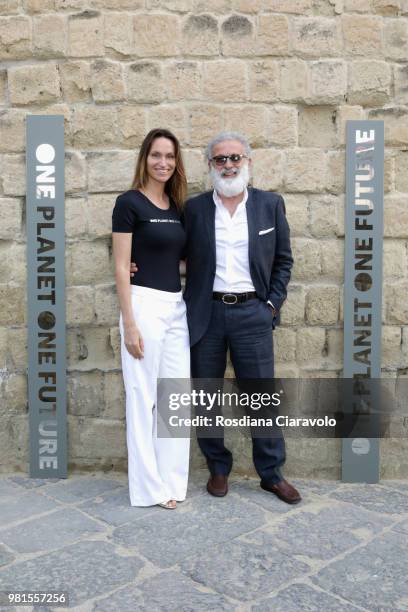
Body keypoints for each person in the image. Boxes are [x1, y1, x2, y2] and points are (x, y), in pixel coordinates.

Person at [183, 132, 301, 504]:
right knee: (205, 394)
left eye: (235, 157)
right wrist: (139, 263)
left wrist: (271, 306)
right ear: (210, 166)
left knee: (262, 397)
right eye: (221, 159)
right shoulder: (195, 209)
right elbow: (173, 249)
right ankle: (218, 467)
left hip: (253, 313)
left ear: (248, 161)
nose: (229, 164)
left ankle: (271, 474)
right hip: (208, 313)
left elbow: (283, 260)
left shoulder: (269, 205)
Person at [112, 128, 190, 509]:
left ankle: (172, 482)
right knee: (143, 399)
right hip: (142, 304)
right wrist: (129, 322)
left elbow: (181, 257)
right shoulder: (128, 203)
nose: (163, 163)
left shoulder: (177, 206)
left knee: (175, 397)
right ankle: (148, 489)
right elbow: (120, 264)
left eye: (170, 157)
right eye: (156, 155)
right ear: (145, 158)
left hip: (176, 307)